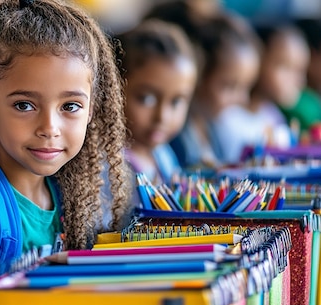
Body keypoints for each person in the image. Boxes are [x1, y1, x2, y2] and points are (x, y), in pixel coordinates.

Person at [0, 0, 133, 282]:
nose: (49, 128)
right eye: (24, 105)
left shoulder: (72, 200)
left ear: (91, 109)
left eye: (70, 106)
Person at [145, 3, 262, 168]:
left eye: (246, 87)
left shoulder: (210, 127)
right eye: (229, 86)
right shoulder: (171, 135)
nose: (242, 98)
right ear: (200, 75)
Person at [116, 19, 198, 184]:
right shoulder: (109, 166)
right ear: (114, 89)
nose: (162, 117)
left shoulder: (163, 154)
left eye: (176, 102)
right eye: (147, 99)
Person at [247, 24, 309, 149]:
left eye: (301, 70)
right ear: (258, 59)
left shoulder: (274, 117)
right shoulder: (228, 119)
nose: (299, 81)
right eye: (286, 67)